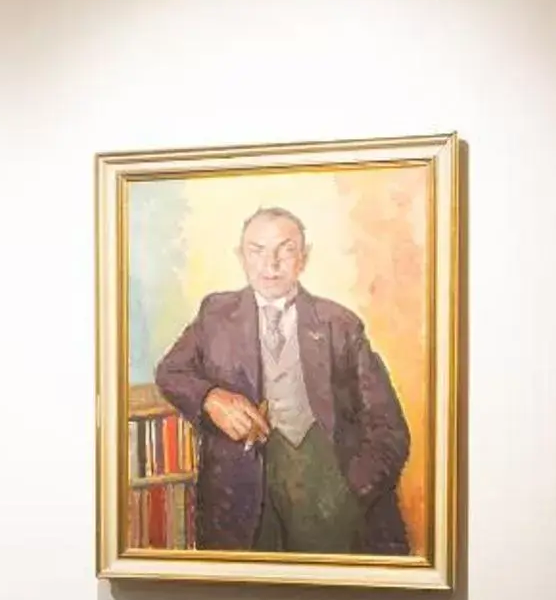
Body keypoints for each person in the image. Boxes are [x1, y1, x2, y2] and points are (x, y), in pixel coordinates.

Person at [153, 206, 410, 554]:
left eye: (285, 250)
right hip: (241, 503)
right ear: (240, 256)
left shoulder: (340, 324)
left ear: (303, 258)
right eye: (257, 251)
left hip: (331, 502)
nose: (270, 264)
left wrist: (350, 493)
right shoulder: (215, 314)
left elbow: (389, 429)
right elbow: (170, 372)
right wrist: (210, 397)